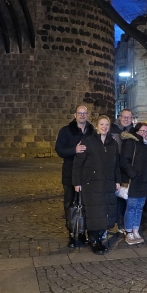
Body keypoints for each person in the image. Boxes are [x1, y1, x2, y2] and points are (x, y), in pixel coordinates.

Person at [73, 115, 121, 255]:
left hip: (107, 184)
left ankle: (100, 237)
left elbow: (116, 164)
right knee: (94, 213)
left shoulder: (113, 144)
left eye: (107, 124)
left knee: (105, 212)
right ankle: (94, 240)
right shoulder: (87, 141)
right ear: (96, 126)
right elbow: (78, 164)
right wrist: (77, 182)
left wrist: (117, 180)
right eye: (102, 124)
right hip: (91, 184)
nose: (104, 127)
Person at [55, 105, 90, 247]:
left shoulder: (91, 131)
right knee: (70, 205)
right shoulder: (66, 131)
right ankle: (71, 233)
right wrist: (74, 150)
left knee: (85, 205)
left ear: (87, 115)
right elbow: (59, 150)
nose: (82, 115)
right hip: (70, 174)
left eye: (84, 113)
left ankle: (82, 232)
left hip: (86, 175)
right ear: (75, 115)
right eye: (79, 113)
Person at [120, 123, 147, 245]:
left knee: (139, 208)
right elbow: (124, 161)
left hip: (144, 182)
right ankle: (128, 232)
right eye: (142, 131)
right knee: (131, 207)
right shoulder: (130, 142)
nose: (144, 133)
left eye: (146, 131)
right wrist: (133, 174)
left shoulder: (146, 145)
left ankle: (135, 229)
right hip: (133, 181)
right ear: (136, 131)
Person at [110, 109, 135, 235]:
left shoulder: (134, 131)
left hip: (128, 169)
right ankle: (119, 224)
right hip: (115, 168)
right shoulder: (112, 129)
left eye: (129, 117)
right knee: (117, 198)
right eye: (124, 117)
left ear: (132, 119)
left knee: (127, 197)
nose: (126, 119)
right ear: (119, 117)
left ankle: (127, 223)